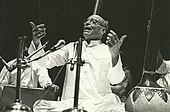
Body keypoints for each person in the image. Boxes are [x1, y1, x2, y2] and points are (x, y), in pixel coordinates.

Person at [33, 14, 127, 112]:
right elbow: (45, 62)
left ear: (102, 30)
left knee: (112, 100)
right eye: (87, 21)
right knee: (39, 105)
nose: (87, 23)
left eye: (94, 22)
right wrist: (36, 42)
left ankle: (84, 109)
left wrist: (115, 56)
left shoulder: (108, 50)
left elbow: (116, 80)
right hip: (71, 103)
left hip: (97, 104)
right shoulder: (72, 47)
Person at [0, 23, 58, 96]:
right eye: (20, 45)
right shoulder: (9, 65)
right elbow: (2, 87)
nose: (24, 48)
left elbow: (43, 73)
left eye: (26, 45)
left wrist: (48, 84)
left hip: (29, 100)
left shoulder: (34, 63)